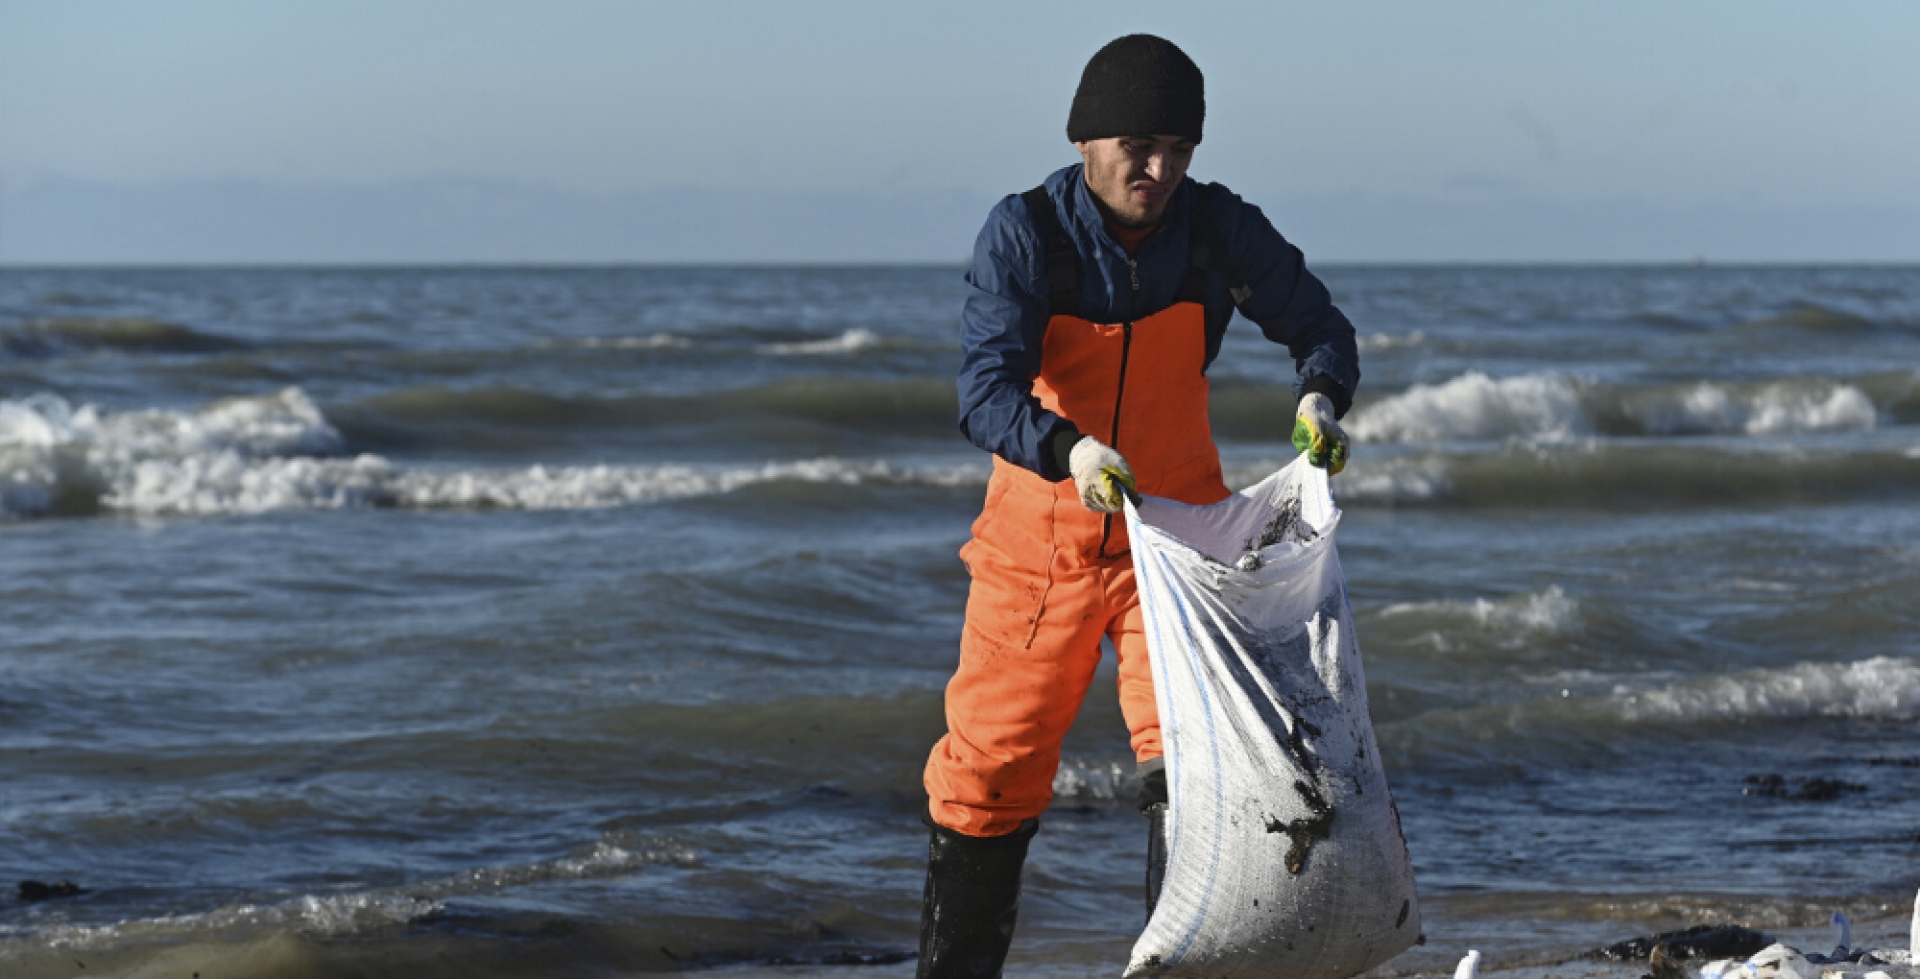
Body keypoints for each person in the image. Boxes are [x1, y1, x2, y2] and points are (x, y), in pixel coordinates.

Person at [915, 33, 1360, 978]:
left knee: (1194, 769)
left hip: (1181, 543)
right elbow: (984, 390)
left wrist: (1320, 391)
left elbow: (1318, 322)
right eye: (1137, 148)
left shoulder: (1217, 229)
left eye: (1179, 149)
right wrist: (1066, 449)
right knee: (989, 772)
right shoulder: (1026, 231)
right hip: (1042, 547)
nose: (1158, 169)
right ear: (1086, 139)